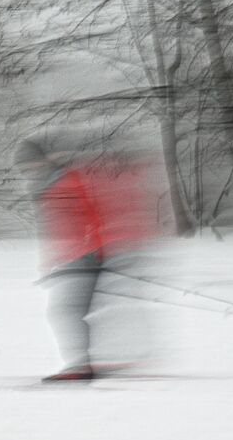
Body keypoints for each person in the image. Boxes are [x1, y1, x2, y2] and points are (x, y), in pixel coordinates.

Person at [15, 140, 156, 381]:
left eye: (31, 164)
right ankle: (91, 361)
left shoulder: (69, 181)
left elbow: (95, 215)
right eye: (24, 169)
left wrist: (103, 250)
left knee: (65, 311)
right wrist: (50, 262)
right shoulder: (43, 188)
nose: (29, 171)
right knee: (71, 310)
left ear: (44, 159)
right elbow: (56, 229)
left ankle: (80, 365)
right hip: (71, 260)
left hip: (87, 256)